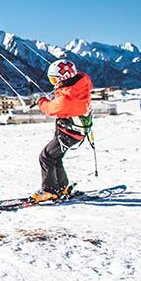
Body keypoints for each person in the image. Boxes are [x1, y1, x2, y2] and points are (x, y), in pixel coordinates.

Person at [30, 59, 94, 203]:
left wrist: (40, 101)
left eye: (54, 79)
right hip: (74, 132)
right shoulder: (81, 84)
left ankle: (49, 190)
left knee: (45, 157)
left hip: (69, 134)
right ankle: (61, 187)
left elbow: (50, 109)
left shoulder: (67, 97)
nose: (54, 83)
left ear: (62, 79)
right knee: (55, 157)